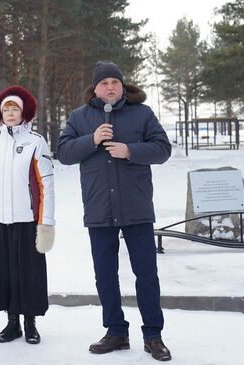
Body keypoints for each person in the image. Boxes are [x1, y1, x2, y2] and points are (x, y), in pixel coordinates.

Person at [56, 61, 172, 361]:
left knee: (146, 274)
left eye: (115, 82)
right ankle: (116, 332)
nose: (110, 87)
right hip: (99, 207)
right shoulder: (79, 117)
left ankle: (153, 336)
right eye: (104, 82)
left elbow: (163, 149)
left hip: (136, 207)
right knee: (105, 275)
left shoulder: (142, 114)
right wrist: (92, 139)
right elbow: (64, 153)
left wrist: (130, 150)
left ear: (123, 87)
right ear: (95, 88)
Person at [0, 85, 55, 345]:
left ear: (23, 113)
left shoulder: (35, 142)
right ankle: (12, 323)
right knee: (4, 273)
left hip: (26, 220)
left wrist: (45, 224)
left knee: (27, 273)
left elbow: (46, 185)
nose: (9, 113)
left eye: (14, 109)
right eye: (6, 109)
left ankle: (30, 323)